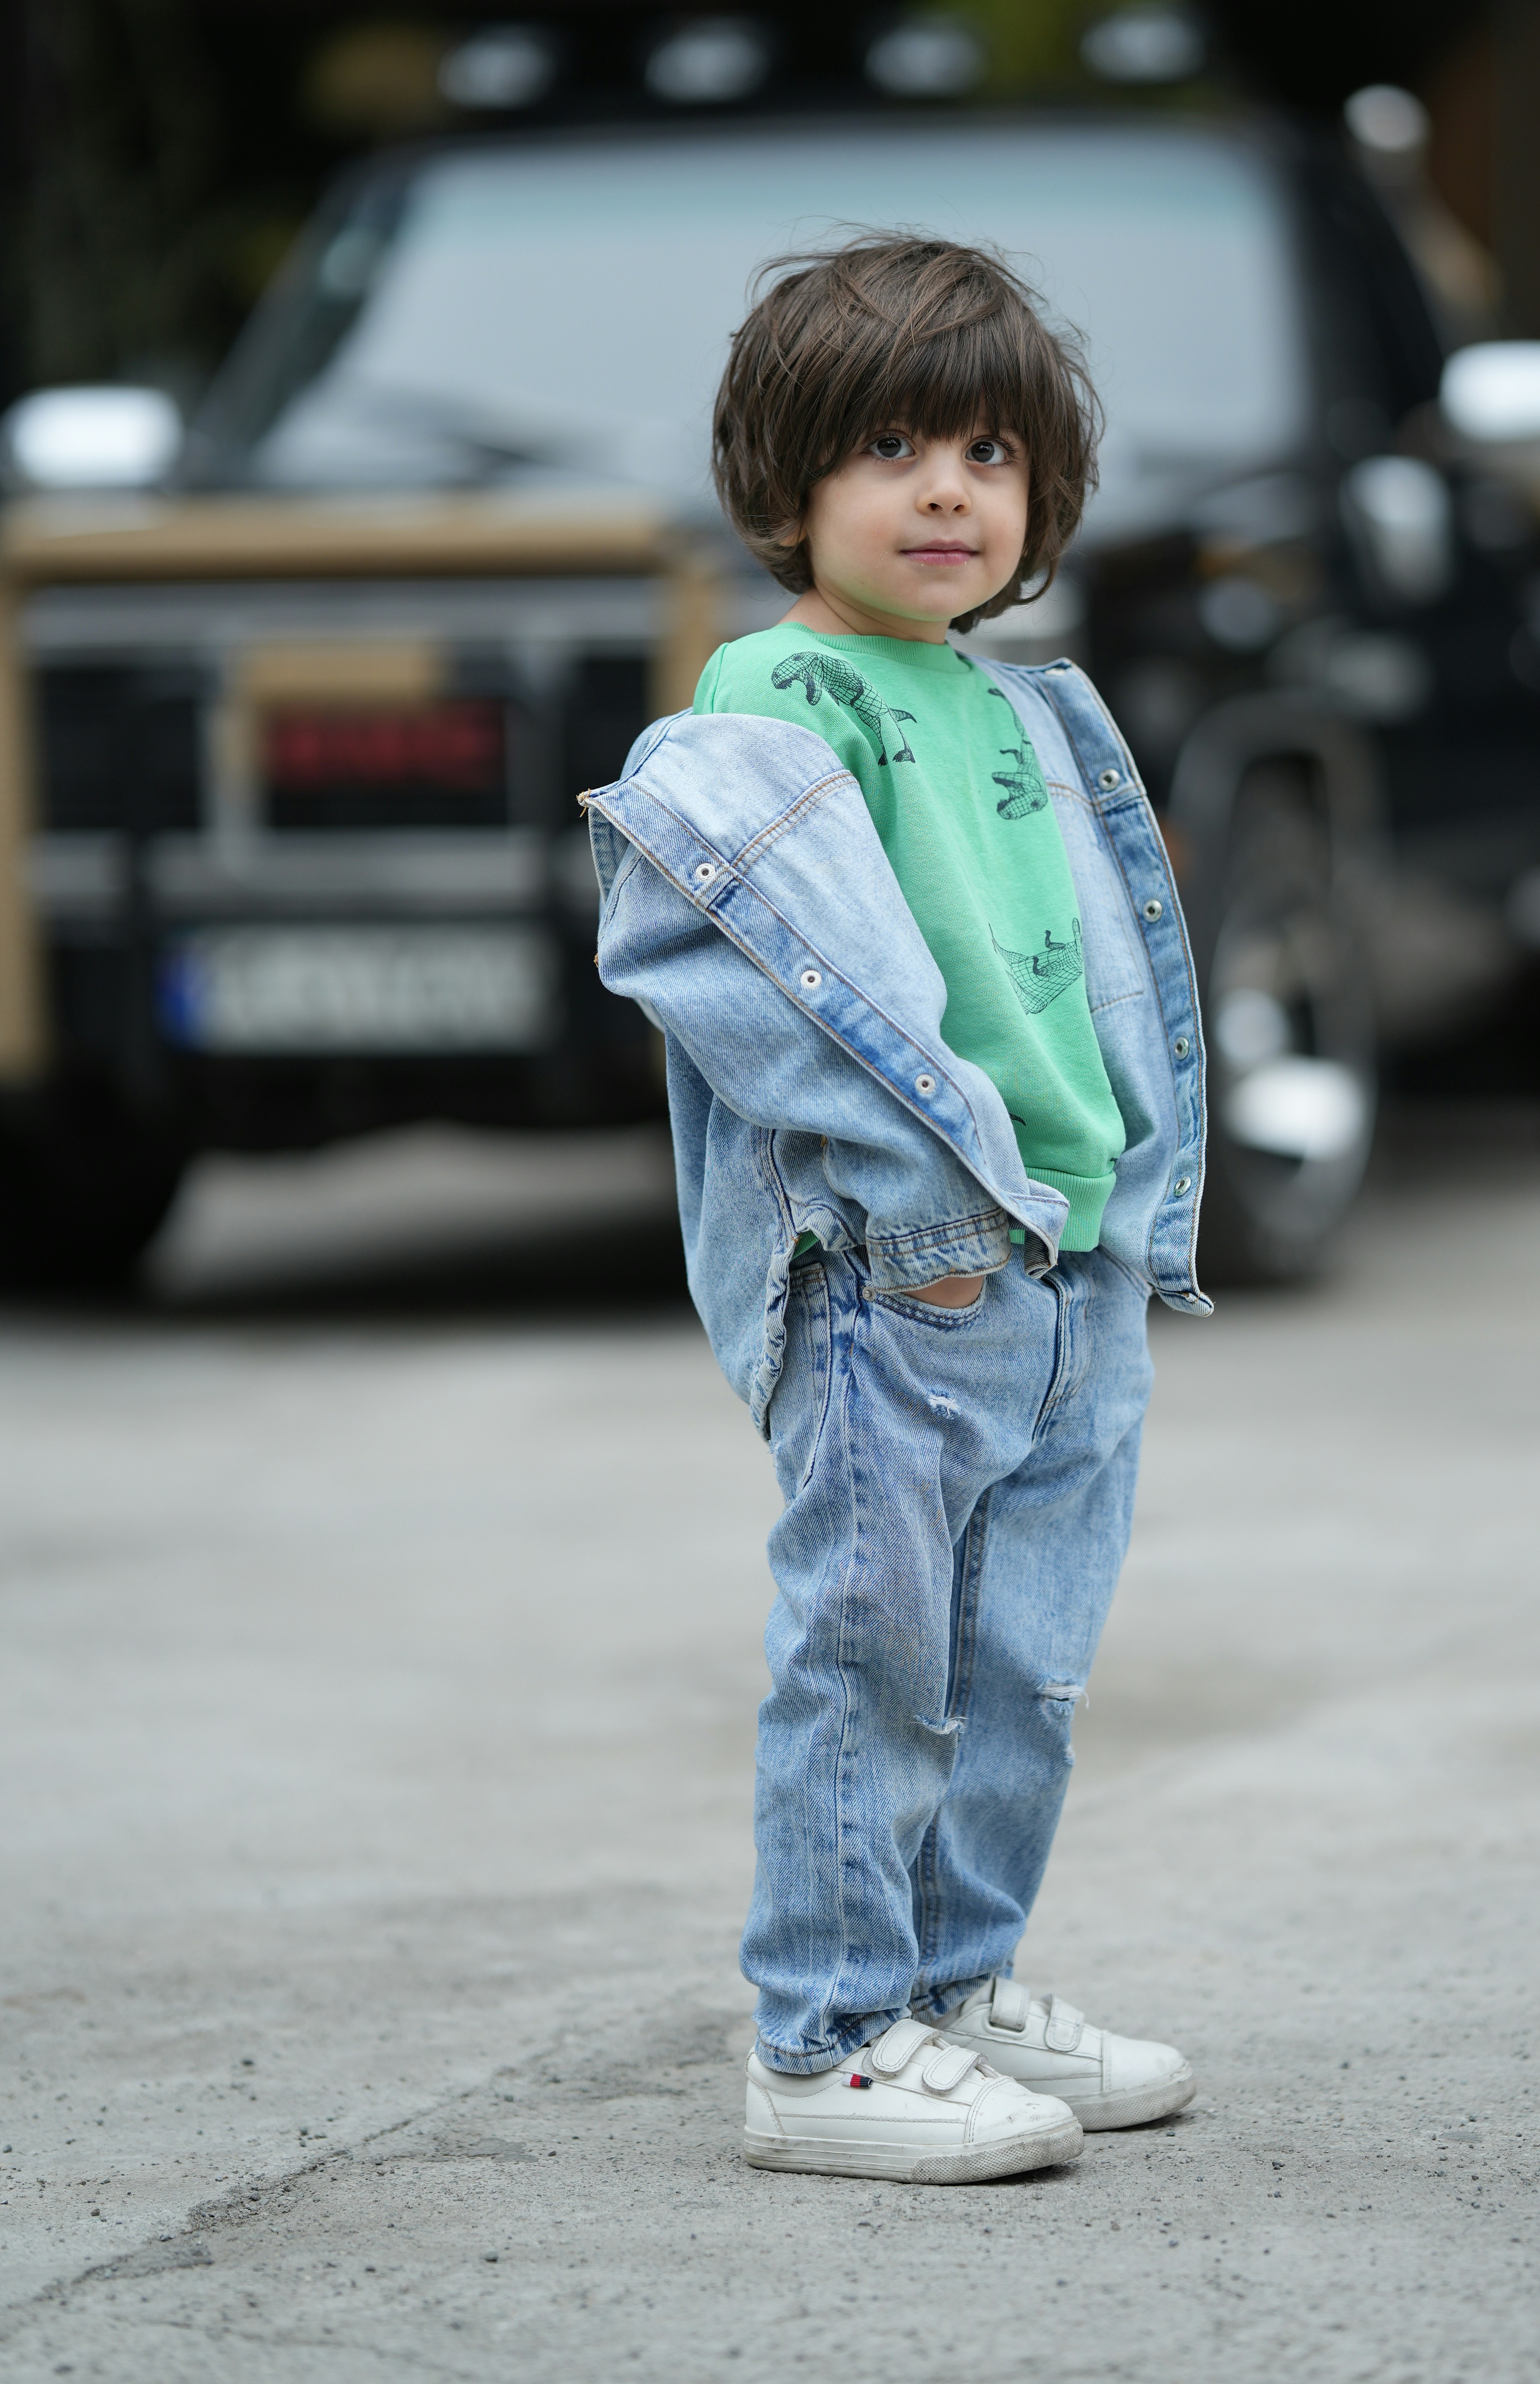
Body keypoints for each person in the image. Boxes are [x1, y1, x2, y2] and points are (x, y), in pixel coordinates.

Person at [588, 235, 1210, 2183]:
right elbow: (743, 975)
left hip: (1061, 1254)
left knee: (1019, 1661)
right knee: (877, 1656)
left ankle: (952, 1985)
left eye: (988, 454)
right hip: (904, 1269)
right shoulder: (771, 696)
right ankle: (827, 2037)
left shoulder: (1021, 711)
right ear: (788, 482)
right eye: (888, 447)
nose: (948, 492)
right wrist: (911, 1195)